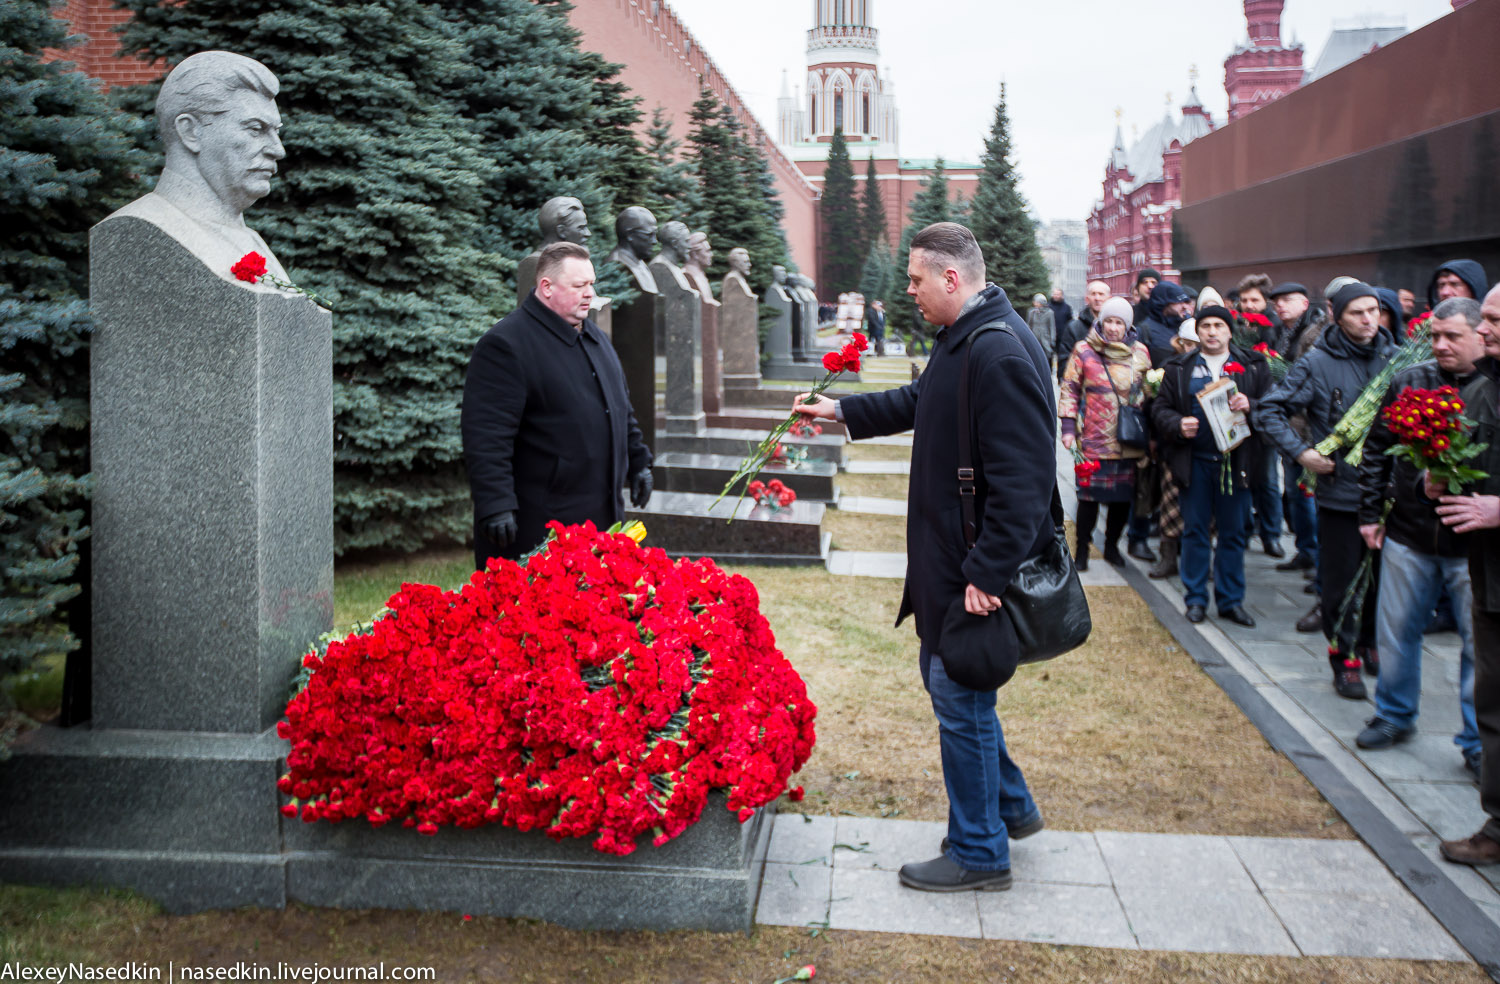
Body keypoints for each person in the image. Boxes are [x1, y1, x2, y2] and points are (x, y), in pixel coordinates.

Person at [791, 222, 1055, 892]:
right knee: (953, 685)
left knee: (956, 693)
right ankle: (1011, 807)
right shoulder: (965, 339)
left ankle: (979, 852)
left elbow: (1025, 485)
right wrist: (839, 411)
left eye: (914, 280)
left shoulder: (997, 353)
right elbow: (919, 401)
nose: (906, 290)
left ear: (951, 278)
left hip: (970, 570)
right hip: (948, 562)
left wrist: (989, 574)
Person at [1355, 298, 1486, 776]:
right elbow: (1377, 450)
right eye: (1434, 336)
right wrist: (1370, 513)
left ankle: (1477, 739)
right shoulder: (1411, 380)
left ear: (1480, 335)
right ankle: (1393, 713)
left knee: (1478, 646)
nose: (1440, 345)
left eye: (1452, 336)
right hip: (1410, 532)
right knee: (1396, 633)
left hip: (1471, 544)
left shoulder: (1490, 388)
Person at [462, 242, 653, 568]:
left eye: (592, 283)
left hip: (600, 518)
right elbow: (487, 435)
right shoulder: (507, 344)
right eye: (579, 286)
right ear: (547, 288)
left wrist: (639, 462)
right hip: (541, 522)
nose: (589, 293)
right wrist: (495, 503)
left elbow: (621, 410)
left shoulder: (595, 339)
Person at [1258, 283, 1395, 698]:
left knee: (1382, 582)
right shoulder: (1317, 362)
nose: (1368, 319)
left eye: (1373, 310)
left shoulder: (1397, 358)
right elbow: (1270, 409)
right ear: (1336, 315)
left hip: (1390, 496)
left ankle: (1370, 643)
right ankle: (1345, 657)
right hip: (1341, 494)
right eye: (1357, 312)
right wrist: (1302, 453)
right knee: (1340, 583)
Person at [1435, 283, 1500, 867]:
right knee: (1493, 700)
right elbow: (1464, 465)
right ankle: (1498, 825)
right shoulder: (1483, 391)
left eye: (1494, 321)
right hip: (1490, 575)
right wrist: (1438, 479)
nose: (1483, 330)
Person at [1151, 306, 1270, 626]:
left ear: (1230, 331)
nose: (1212, 332)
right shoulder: (1179, 367)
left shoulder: (1253, 366)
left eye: (1219, 325)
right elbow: (1159, 409)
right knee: (1195, 533)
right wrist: (1177, 423)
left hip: (1237, 462)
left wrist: (1252, 406)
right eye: (1205, 326)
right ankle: (1195, 599)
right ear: (1197, 332)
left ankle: (1231, 601)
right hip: (1196, 462)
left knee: (1233, 534)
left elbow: (1273, 409)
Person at [1060, 296, 1151, 570]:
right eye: (1108, 321)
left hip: (1128, 439)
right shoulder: (1084, 350)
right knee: (1088, 498)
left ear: (1128, 325)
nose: (1113, 327)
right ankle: (1083, 550)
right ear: (1101, 322)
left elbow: (1149, 392)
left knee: (1122, 499)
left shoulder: (1141, 352)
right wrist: (1067, 428)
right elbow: (1070, 388)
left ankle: (1112, 546)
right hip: (1092, 438)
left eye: (1119, 322)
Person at [1268, 280, 1329, 617]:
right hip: (1290, 425)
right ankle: (1306, 550)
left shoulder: (1313, 333)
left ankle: (1316, 556)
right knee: (1294, 492)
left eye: (1287, 300)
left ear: (1305, 303)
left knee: (1307, 496)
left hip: (1308, 429)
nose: (1280, 306)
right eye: (1276, 301)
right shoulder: (1283, 332)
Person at [1058, 280, 1108, 383]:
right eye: (1093, 294)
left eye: (1101, 294)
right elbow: (1064, 362)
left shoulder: (1116, 328)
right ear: (1087, 298)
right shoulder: (1074, 327)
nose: (1097, 298)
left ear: (1109, 298)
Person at [1138, 281, 1195, 368]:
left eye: (1186, 302)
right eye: (1178, 302)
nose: (1184, 306)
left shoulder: (1187, 325)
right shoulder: (1145, 330)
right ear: (1163, 302)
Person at [1027, 293, 1055, 371]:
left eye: (1036, 302)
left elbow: (1052, 327)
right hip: (1035, 338)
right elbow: (1029, 325)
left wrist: (1052, 340)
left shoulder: (1049, 313)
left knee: (1047, 356)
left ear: (1041, 303)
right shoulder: (1032, 312)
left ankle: (1048, 371)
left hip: (1045, 339)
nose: (1034, 303)